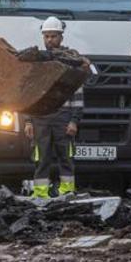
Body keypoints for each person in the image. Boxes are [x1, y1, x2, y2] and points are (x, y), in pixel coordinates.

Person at [24, 17, 87, 198]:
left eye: (53, 36)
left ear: (61, 37)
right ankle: (40, 192)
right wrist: (28, 121)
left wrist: (74, 120)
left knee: (65, 157)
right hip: (40, 117)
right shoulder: (38, 62)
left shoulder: (70, 62)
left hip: (63, 116)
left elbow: (77, 93)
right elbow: (30, 94)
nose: (50, 40)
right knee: (41, 157)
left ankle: (66, 191)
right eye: (47, 36)